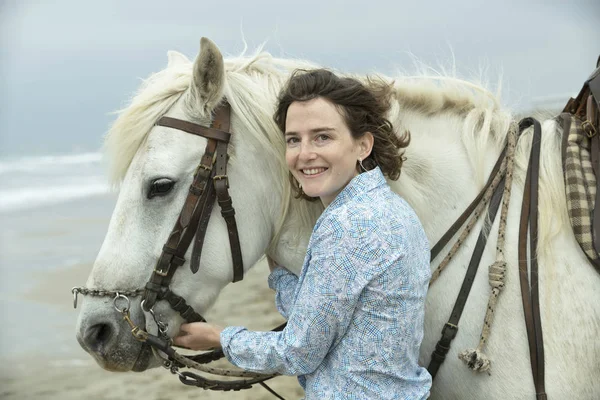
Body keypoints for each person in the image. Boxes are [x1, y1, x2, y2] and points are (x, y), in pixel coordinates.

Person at [174, 69, 432, 399]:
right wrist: (280, 269)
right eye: (294, 139)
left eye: (322, 137)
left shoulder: (348, 226)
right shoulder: (391, 209)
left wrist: (218, 337)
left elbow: (298, 351)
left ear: (363, 145)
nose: (304, 153)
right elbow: (329, 319)